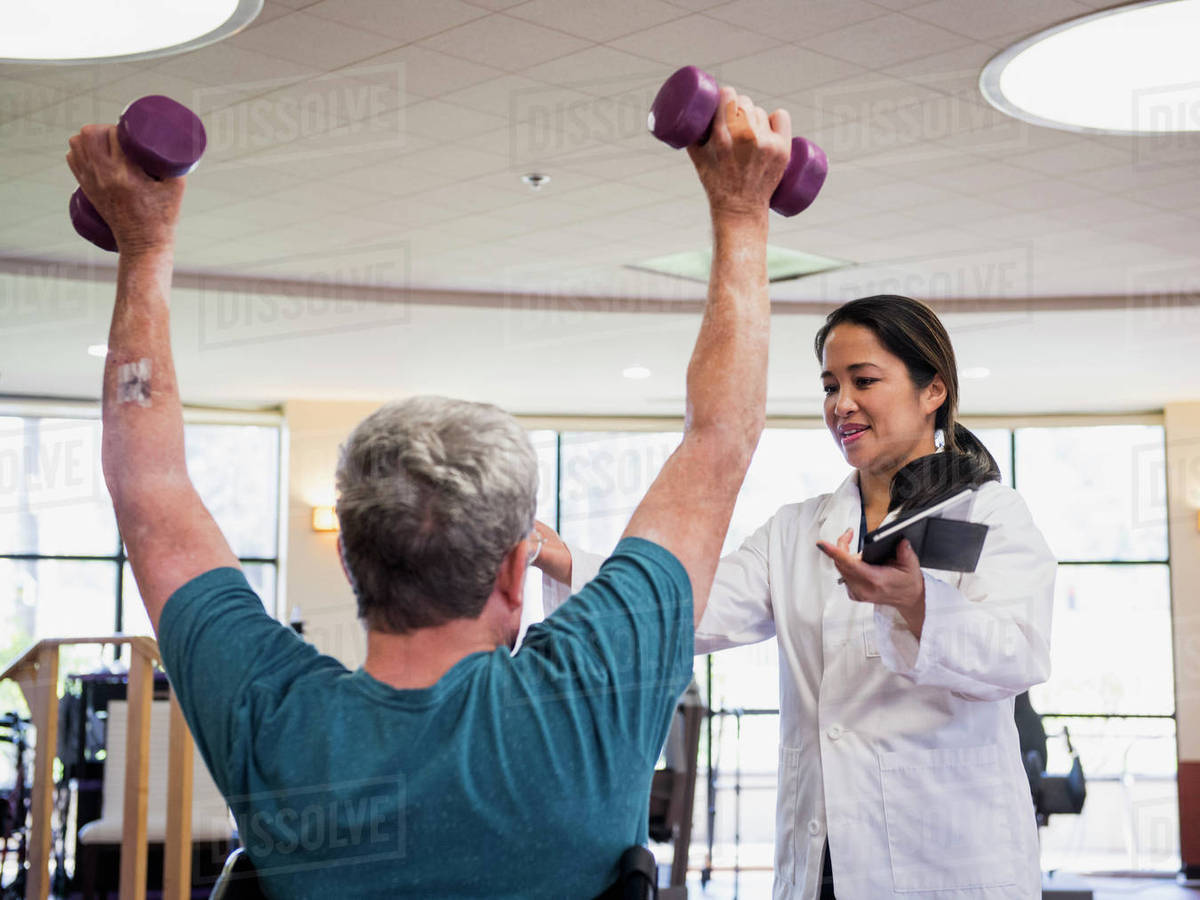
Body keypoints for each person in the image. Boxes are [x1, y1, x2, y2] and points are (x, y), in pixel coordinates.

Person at [65, 86, 793, 897]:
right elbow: (720, 438)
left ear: (349, 562)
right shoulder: (591, 701)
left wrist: (143, 244)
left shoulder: (272, 720)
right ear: (518, 574)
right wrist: (741, 215)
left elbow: (148, 486)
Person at [535, 295, 1057, 899]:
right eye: (830, 385)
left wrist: (916, 603)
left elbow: (1018, 656)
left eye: (864, 381)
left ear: (933, 390)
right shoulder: (797, 530)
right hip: (821, 860)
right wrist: (562, 559)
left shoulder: (989, 513)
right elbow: (692, 606)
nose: (842, 405)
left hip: (944, 860)